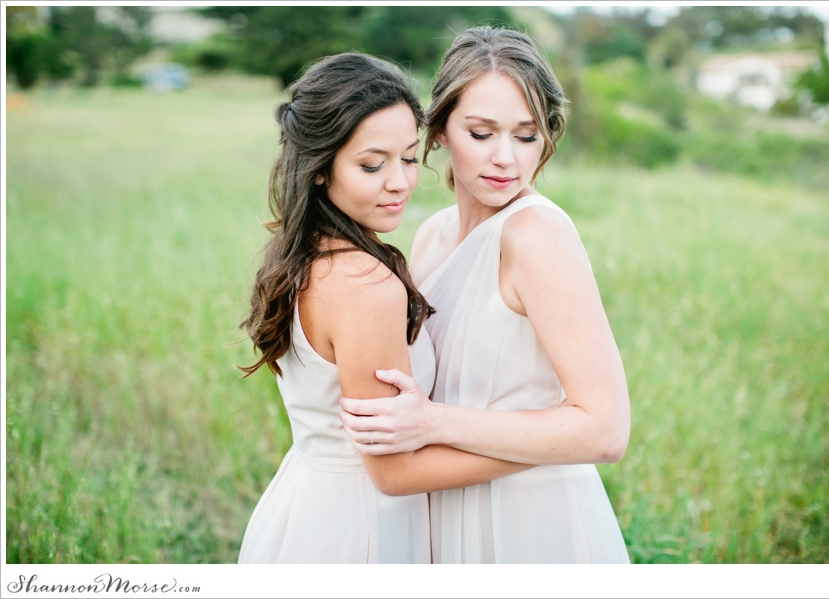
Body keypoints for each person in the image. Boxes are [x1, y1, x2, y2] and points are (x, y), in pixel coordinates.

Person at [339, 27, 632, 563]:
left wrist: (434, 422)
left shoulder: (536, 236)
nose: (506, 159)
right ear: (442, 129)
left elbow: (606, 428)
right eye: (481, 133)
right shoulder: (431, 234)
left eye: (527, 135)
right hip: (447, 506)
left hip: (532, 522)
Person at [236, 52, 533, 564]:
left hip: (304, 504)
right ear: (321, 170)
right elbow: (394, 472)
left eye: (409, 157)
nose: (400, 182)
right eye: (373, 165)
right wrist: (538, 451)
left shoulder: (308, 255)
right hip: (357, 530)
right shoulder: (366, 284)